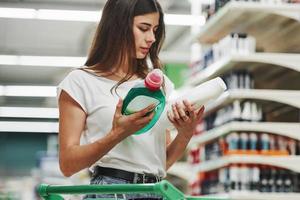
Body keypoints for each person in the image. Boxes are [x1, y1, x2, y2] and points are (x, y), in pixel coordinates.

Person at [57, 0, 204, 199]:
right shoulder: (80, 82)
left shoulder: (158, 85)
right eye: (143, 28)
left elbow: (161, 163)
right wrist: (117, 134)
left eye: (155, 30)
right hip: (110, 191)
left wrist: (185, 134)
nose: (152, 38)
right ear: (117, 26)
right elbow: (67, 165)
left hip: (155, 191)